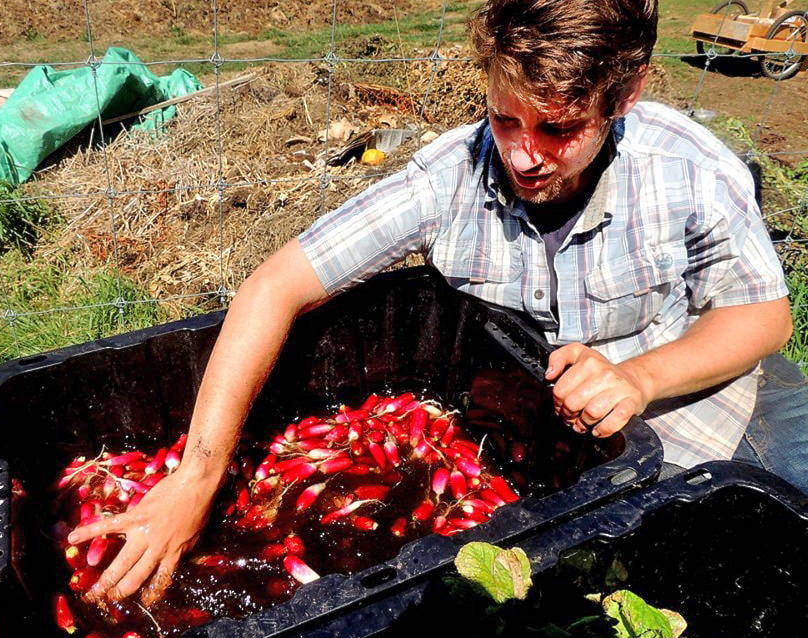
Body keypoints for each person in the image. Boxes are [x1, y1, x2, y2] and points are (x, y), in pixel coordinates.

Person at [68, 0, 805, 605]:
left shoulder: (689, 170)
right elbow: (274, 287)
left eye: (559, 129)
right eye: (505, 118)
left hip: (698, 416)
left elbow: (765, 318)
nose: (521, 155)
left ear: (628, 94)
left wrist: (641, 377)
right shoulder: (447, 179)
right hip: (542, 453)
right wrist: (196, 479)